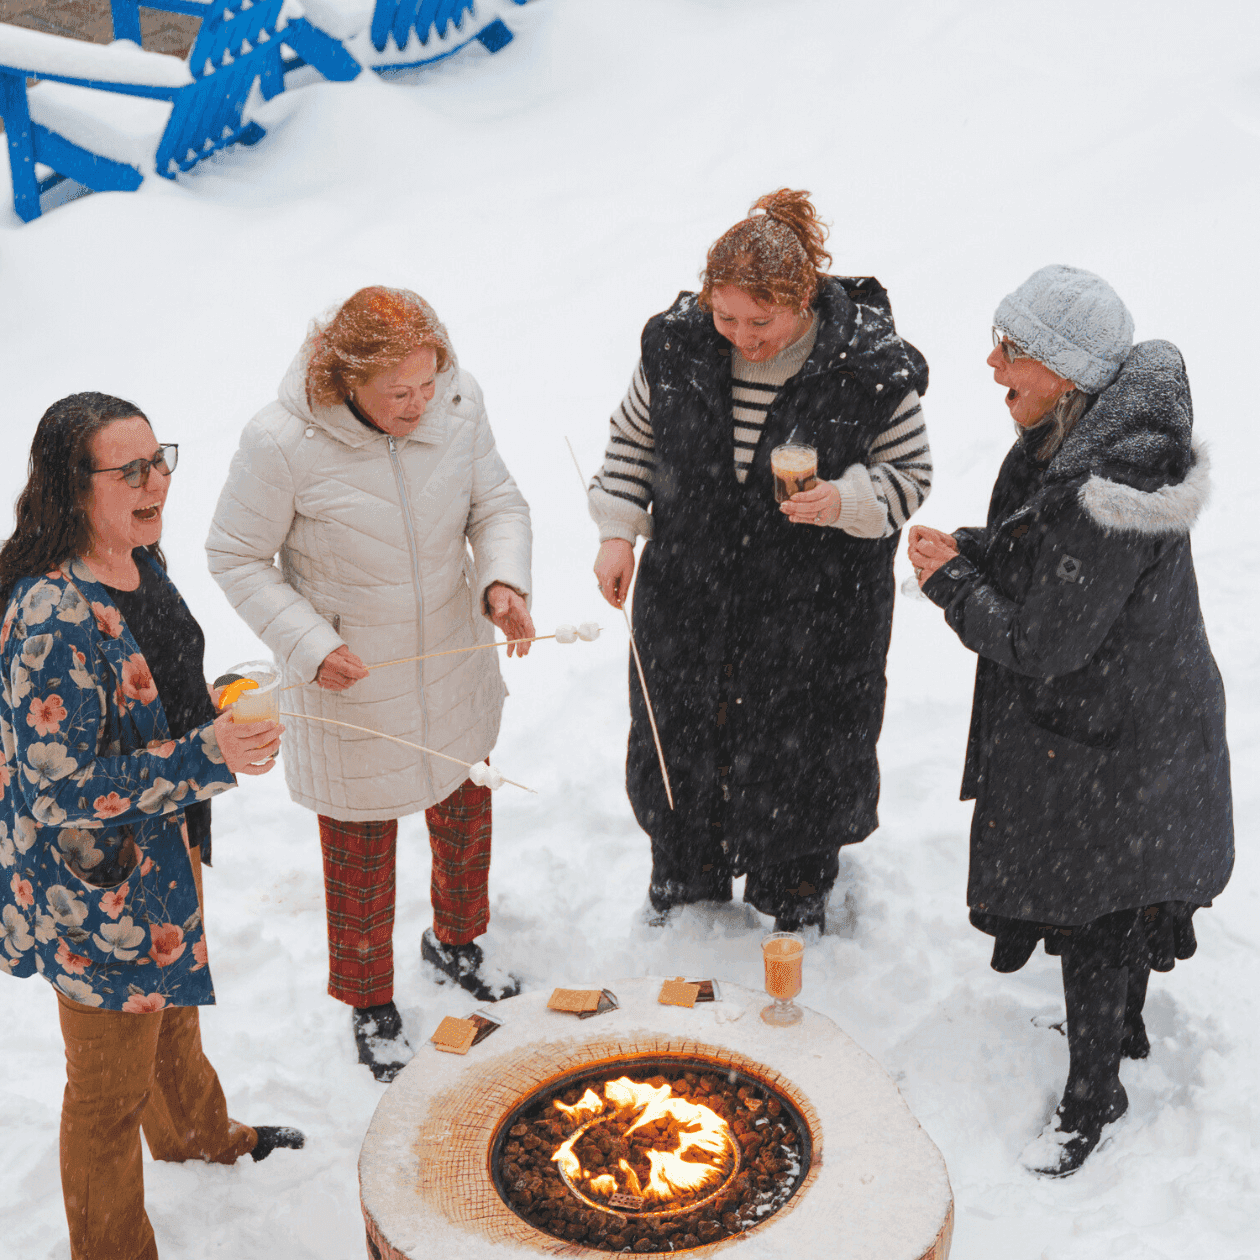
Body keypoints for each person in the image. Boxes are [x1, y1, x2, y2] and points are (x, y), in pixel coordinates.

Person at [908, 265, 1233, 1177]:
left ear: (1066, 369)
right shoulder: (1071, 441)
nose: (991, 362)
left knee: (1097, 916)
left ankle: (1094, 1098)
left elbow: (1044, 639)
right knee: (1117, 904)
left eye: (1012, 350)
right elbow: (1038, 554)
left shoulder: (1108, 490)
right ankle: (1120, 1033)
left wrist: (948, 584)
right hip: (1127, 727)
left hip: (1121, 741)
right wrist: (973, 550)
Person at [0, 393, 301, 1260]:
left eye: (158, 459)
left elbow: (152, 694)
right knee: (103, 1097)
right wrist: (206, 754)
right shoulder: (50, 615)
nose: (155, 480)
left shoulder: (138, 558)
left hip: (165, 845)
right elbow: (57, 790)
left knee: (170, 1015)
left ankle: (199, 1138)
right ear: (72, 484)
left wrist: (214, 714)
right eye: (128, 469)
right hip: (94, 885)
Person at [207, 286, 533, 1082]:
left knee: (464, 801)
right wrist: (311, 645)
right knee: (359, 846)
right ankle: (369, 999)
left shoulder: (457, 400)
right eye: (399, 393)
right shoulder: (280, 442)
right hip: (348, 681)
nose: (420, 405)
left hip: (448, 657)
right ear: (345, 380)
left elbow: (496, 503)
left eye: (428, 385)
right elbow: (234, 555)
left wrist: (503, 583)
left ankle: (456, 938)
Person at [589, 189, 932, 932]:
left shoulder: (868, 368)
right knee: (680, 736)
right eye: (727, 317)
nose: (742, 336)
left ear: (804, 298)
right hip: (690, 593)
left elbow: (910, 476)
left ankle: (795, 888)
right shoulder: (677, 348)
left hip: (817, 610)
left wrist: (843, 500)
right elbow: (631, 443)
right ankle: (686, 878)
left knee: (802, 749)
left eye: (761, 321)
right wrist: (618, 530)